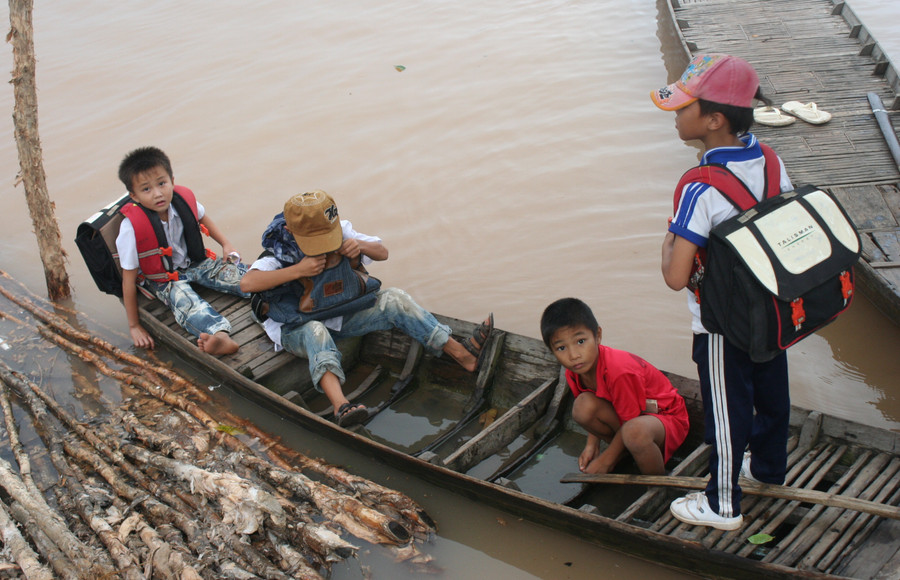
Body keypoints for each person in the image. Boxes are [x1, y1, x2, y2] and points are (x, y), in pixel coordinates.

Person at [654, 54, 793, 530]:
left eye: (683, 108)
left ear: (713, 120)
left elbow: (676, 277)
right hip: (773, 309)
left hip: (719, 323)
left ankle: (722, 505)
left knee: (726, 412)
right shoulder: (771, 160)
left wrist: (668, 241)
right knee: (772, 393)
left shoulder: (698, 187)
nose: (676, 116)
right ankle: (769, 468)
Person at [240, 190, 493, 427]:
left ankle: (462, 354)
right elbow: (247, 283)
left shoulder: (340, 231)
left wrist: (358, 246)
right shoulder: (279, 250)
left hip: (340, 314)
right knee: (316, 331)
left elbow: (382, 252)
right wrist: (298, 270)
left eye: (326, 234)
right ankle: (341, 406)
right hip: (296, 328)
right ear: (290, 230)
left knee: (394, 299)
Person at [115, 146, 248, 355]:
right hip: (165, 279)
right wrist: (134, 326)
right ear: (135, 196)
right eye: (146, 189)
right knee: (187, 303)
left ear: (172, 180)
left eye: (162, 183)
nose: (158, 193)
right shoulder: (131, 229)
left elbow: (203, 218)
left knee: (240, 276)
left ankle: (270, 295)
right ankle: (220, 336)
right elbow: (128, 280)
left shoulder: (182, 201)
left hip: (195, 263)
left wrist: (226, 244)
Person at [540, 298, 689, 476]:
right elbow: (599, 402)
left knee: (634, 433)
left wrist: (606, 460)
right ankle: (627, 452)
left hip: (665, 418)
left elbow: (630, 421)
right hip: (632, 419)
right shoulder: (574, 373)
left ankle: (657, 483)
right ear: (552, 351)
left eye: (580, 341)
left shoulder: (619, 371)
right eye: (561, 348)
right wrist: (592, 445)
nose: (573, 355)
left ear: (598, 335)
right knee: (582, 407)